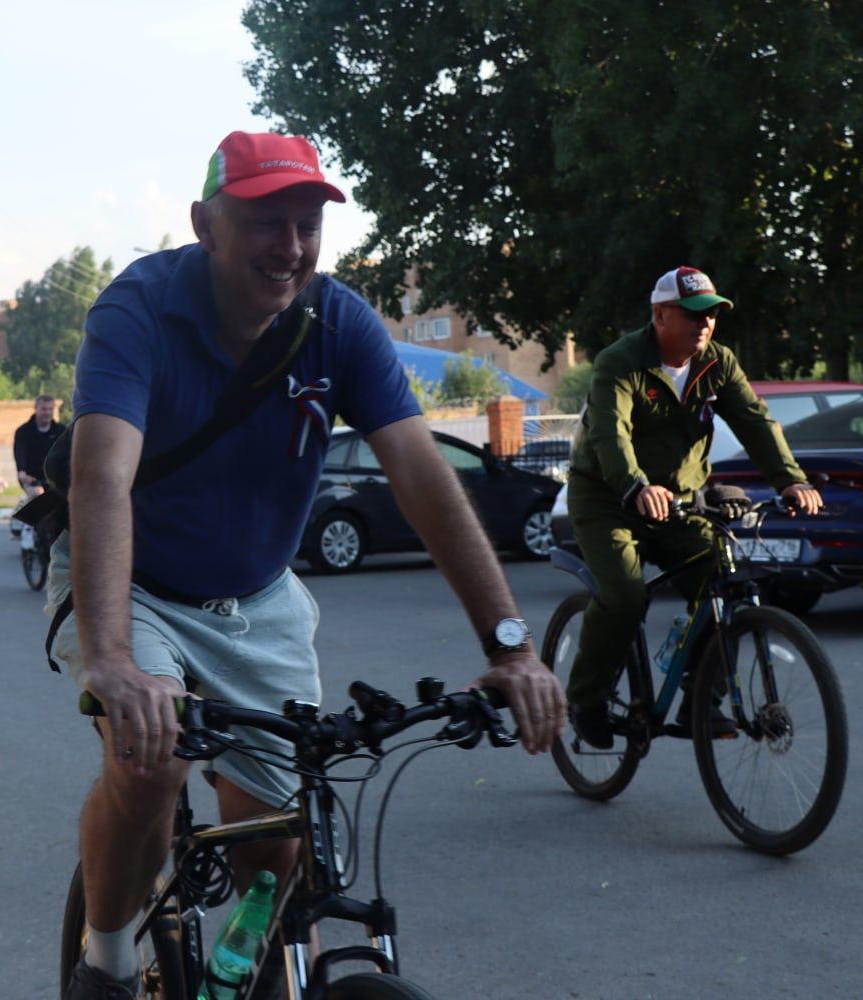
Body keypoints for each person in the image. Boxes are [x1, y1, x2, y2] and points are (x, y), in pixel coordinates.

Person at [51, 130, 566, 1000]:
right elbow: (102, 475)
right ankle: (102, 962)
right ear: (205, 227)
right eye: (265, 222)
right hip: (138, 586)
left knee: (277, 851)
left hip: (257, 598)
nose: (289, 247)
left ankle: (238, 977)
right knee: (151, 759)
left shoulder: (340, 326)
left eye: (306, 224)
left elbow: (425, 481)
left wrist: (511, 643)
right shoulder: (137, 309)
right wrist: (111, 659)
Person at [564, 266, 823, 750]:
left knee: (723, 582)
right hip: (608, 497)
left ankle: (701, 699)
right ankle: (586, 699)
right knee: (623, 595)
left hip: (680, 501)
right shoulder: (619, 362)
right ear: (660, 315)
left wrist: (791, 480)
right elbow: (610, 435)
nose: (704, 325)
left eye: (712, 316)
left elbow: (757, 423)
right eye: (693, 315)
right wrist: (635, 486)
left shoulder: (718, 362)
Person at [13, 395, 65, 550]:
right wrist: (21, 471)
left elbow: (68, 454)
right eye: (43, 409)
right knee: (37, 493)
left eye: (50, 409)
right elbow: (19, 451)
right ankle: (27, 530)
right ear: (35, 409)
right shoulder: (23, 431)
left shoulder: (61, 430)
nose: (47, 413)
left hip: (55, 478)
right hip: (31, 477)